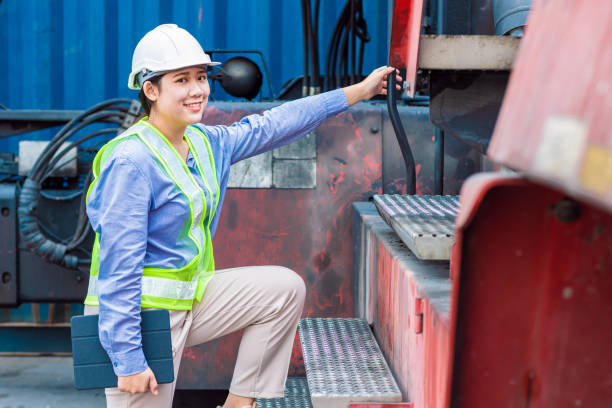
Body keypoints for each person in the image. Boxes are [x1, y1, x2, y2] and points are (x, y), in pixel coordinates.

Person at [82, 23, 402, 408]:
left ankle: (239, 403)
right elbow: (119, 267)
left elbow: (275, 125)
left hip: (191, 300)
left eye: (201, 77)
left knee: (283, 291)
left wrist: (357, 93)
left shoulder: (204, 143)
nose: (198, 89)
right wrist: (127, 359)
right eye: (181, 80)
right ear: (151, 90)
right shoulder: (130, 161)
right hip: (139, 321)